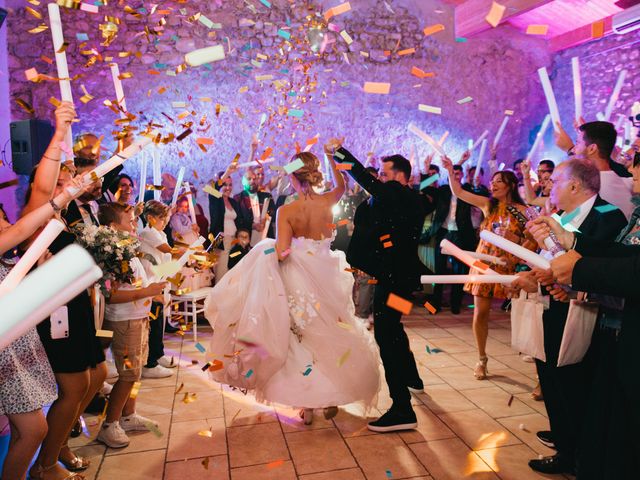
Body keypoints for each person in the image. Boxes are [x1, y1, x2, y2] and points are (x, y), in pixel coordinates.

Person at [204, 146, 380, 426]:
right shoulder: (328, 201)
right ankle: (331, 395)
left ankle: (307, 406)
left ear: (295, 180)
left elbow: (283, 252)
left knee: (300, 338)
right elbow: (343, 184)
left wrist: (267, 249)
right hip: (327, 275)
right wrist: (333, 158)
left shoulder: (287, 209)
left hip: (298, 279)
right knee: (330, 330)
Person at [514, 159, 627, 475]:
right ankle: (563, 434)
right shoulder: (559, 217)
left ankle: (573, 451)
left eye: (556, 181)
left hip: (583, 309)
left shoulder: (608, 215)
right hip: (552, 304)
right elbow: (551, 258)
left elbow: (600, 261)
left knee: (574, 381)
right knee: (550, 376)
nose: (549, 187)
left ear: (575, 185)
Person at [331, 141, 435, 432]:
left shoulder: (401, 195)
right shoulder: (396, 198)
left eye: (386, 173)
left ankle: (402, 407)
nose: (380, 176)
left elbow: (364, 178)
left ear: (401, 176)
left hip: (395, 278)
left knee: (386, 336)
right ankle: (412, 378)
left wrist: (339, 152)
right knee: (394, 326)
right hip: (396, 278)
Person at [0, 174, 86, 480]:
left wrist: (39, 273)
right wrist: (62, 198)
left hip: (19, 349)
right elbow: (26, 223)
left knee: (33, 430)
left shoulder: (7, 260)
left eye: (3, 219)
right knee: (34, 430)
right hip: (6, 356)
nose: (5, 226)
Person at [441, 157, 537, 380]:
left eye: (499, 181)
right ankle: (481, 359)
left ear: (511, 185)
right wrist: (449, 169)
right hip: (484, 265)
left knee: (522, 317)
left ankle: (538, 366)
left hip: (511, 268)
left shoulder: (524, 211)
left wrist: (515, 240)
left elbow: (534, 241)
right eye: (492, 181)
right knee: (480, 313)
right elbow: (459, 192)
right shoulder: (488, 205)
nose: (493, 185)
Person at [96, 203, 166, 448]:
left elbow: (138, 282)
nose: (135, 225)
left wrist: (154, 287)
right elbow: (111, 295)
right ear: (114, 227)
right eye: (130, 221)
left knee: (135, 372)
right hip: (124, 321)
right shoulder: (111, 254)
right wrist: (146, 291)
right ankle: (109, 425)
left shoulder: (126, 249)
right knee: (127, 375)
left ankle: (128, 415)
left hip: (138, 316)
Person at [555, 121, 633, 218]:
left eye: (578, 143)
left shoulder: (596, 187)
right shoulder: (622, 182)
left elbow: (574, 218)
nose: (574, 149)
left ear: (592, 149)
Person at [430, 159, 477, 314]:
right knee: (439, 271)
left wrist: (473, 180)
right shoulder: (443, 190)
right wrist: (427, 171)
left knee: (459, 272)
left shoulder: (468, 190)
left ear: (462, 175)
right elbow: (423, 187)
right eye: (453, 173)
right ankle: (434, 305)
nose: (456, 176)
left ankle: (455, 305)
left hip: (461, 234)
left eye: (458, 173)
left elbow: (482, 193)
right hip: (443, 232)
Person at [138, 200, 179, 378]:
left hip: (159, 277)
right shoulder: (147, 232)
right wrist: (192, 250)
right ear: (150, 218)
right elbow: (168, 250)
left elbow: (167, 256)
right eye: (162, 219)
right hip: (149, 280)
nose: (166, 222)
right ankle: (149, 363)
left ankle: (158, 354)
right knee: (153, 323)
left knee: (159, 321)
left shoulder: (159, 233)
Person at [208, 165, 243, 280]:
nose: (228, 188)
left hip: (234, 241)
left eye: (230, 185)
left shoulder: (233, 202)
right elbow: (212, 189)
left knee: (233, 274)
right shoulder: (215, 198)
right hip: (220, 241)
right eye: (224, 185)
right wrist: (227, 172)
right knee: (221, 274)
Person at [235, 167, 276, 245]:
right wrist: (253, 225)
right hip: (247, 240)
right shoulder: (238, 198)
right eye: (249, 179)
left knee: (268, 256)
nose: (252, 181)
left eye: (254, 179)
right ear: (243, 182)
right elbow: (238, 220)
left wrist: (266, 218)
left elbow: (273, 213)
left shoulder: (267, 196)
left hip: (266, 238)